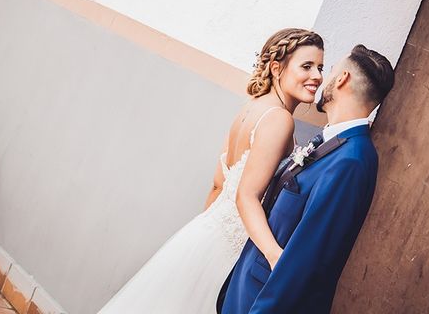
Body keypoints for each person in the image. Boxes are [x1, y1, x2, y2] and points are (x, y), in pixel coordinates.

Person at [97, 28, 324, 313]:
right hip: (230, 247)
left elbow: (219, 183)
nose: (317, 76)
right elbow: (246, 196)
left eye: (320, 67)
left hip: (203, 236)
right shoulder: (278, 119)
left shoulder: (250, 108)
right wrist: (274, 255)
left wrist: (205, 239)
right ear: (277, 68)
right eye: (307, 66)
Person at [218, 44, 394, 314]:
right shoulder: (332, 142)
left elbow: (309, 258)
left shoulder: (352, 161)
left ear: (343, 78)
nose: (324, 78)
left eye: (331, 69)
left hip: (262, 302)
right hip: (244, 292)